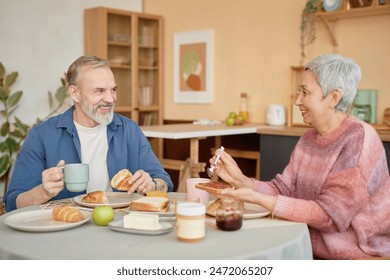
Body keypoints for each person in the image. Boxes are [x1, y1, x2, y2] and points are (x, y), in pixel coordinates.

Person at [210, 54, 390, 259]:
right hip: (306, 246)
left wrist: (260, 199)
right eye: (298, 92)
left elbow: (330, 216)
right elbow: (283, 189)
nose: (297, 101)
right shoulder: (309, 138)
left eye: (305, 92)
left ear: (334, 97)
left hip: (356, 258)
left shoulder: (360, 140)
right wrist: (240, 180)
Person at [5, 55, 173, 212]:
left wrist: (152, 185)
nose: (110, 99)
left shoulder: (129, 130)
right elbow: (13, 202)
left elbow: (163, 181)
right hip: (66, 229)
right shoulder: (41, 135)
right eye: (99, 91)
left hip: (121, 222)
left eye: (113, 90)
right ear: (74, 93)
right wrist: (43, 192)